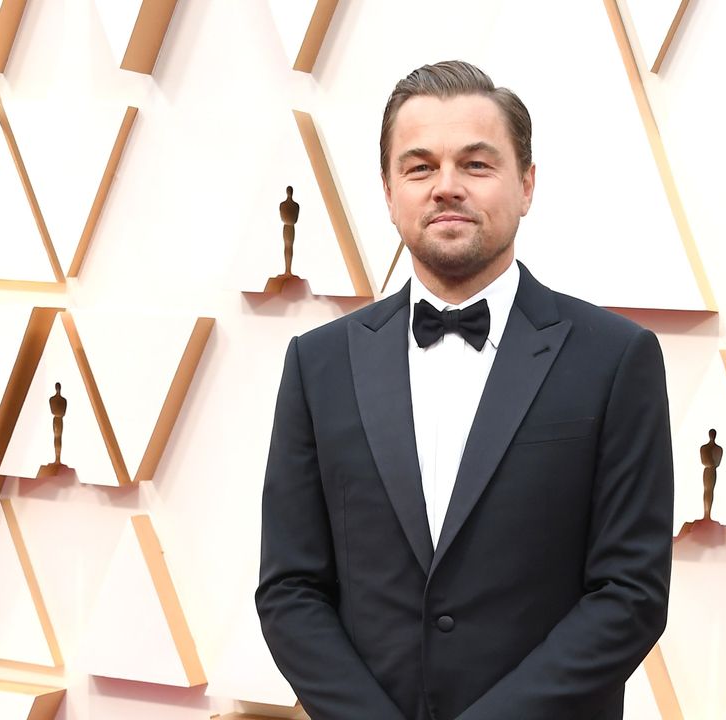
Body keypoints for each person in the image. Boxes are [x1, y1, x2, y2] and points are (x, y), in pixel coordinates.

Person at [256, 60, 673, 720]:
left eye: (476, 165)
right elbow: (290, 588)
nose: (446, 187)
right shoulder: (318, 363)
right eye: (419, 167)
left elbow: (630, 594)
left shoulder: (617, 359)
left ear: (527, 184)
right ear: (390, 192)